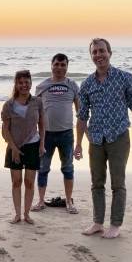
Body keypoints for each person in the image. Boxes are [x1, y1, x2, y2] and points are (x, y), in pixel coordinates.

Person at [74, 38, 132, 239]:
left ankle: (115, 224)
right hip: (96, 138)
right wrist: (78, 143)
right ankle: (98, 222)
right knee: (96, 182)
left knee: (118, 183)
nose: (98, 55)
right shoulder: (87, 84)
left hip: (119, 137)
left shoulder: (125, 78)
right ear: (91, 56)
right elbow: (82, 117)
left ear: (110, 52)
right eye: (94, 52)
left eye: (102, 51)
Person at [32, 53, 80, 214]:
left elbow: (80, 112)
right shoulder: (42, 86)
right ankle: (40, 201)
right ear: (51, 65)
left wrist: (83, 136)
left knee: (67, 168)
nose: (59, 67)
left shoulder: (72, 85)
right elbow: (33, 110)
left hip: (66, 134)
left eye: (63, 65)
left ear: (67, 67)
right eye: (57, 64)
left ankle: (69, 202)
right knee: (43, 168)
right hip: (46, 135)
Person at [1, 70, 46, 224]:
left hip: (33, 145)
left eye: (26, 82)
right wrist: (13, 148)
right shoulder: (9, 105)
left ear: (31, 83)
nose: (24, 85)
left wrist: (42, 144)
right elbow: (5, 130)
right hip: (14, 146)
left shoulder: (37, 102)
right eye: (20, 82)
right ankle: (17, 214)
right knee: (16, 181)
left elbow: (42, 123)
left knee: (29, 182)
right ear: (16, 84)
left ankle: (26, 214)